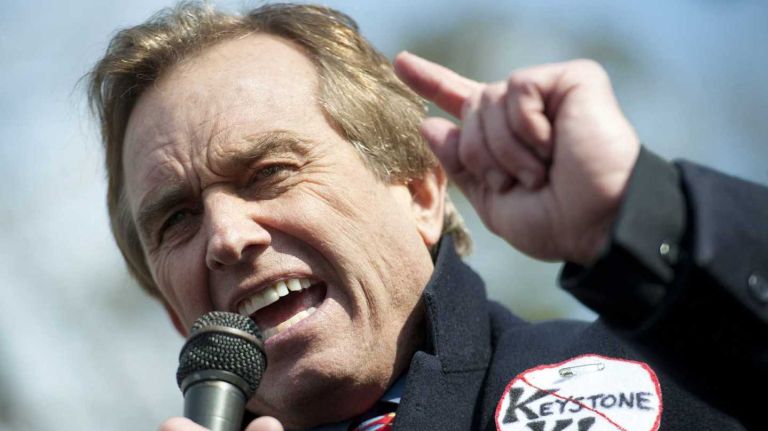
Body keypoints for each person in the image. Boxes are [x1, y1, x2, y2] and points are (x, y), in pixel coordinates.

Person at [87, 2, 766, 430]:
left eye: (269, 171)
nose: (226, 237)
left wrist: (643, 215)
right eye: (176, 219)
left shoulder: (657, 374)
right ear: (175, 310)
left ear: (416, 190)